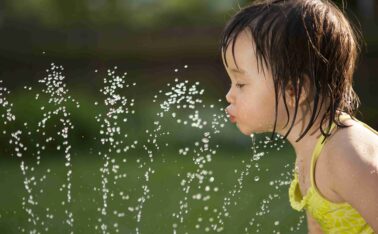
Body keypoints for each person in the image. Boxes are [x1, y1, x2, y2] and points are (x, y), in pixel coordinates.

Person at [220, 0, 378, 233]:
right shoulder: (309, 151)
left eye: (241, 84)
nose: (229, 95)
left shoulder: (345, 153)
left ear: (295, 91)